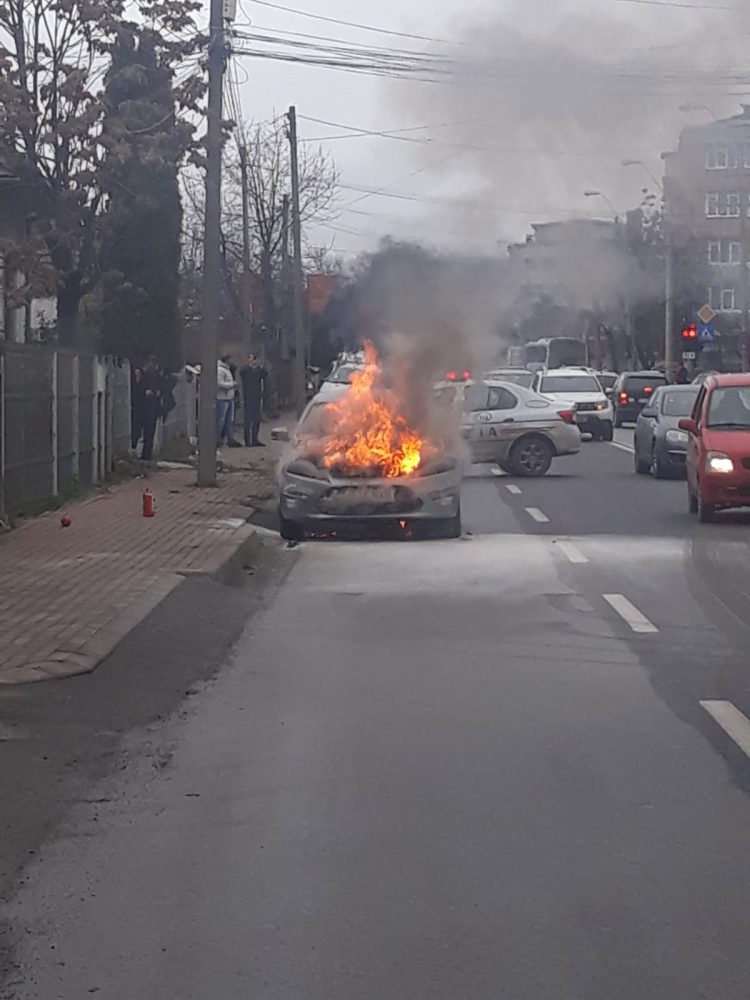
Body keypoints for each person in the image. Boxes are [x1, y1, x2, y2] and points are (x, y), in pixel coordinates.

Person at [131, 357, 162, 462]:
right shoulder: (140, 374)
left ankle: (146, 455)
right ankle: (134, 450)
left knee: (148, 433)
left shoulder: (155, 375)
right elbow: (136, 390)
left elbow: (159, 390)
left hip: (150, 409)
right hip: (140, 408)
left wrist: (154, 393)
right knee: (137, 431)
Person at [240, 353, 268, 447]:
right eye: (249, 358)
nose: (251, 360)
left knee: (256, 419)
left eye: (252, 359)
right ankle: (248, 440)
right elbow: (242, 373)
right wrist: (250, 366)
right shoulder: (245, 370)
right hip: (248, 397)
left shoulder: (259, 370)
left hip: (257, 396)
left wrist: (260, 367)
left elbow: (265, 375)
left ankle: (255, 439)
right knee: (248, 420)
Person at [216, 353, 240, 447]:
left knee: (230, 420)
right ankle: (218, 439)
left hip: (229, 398)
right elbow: (219, 383)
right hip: (222, 398)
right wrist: (232, 385)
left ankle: (230, 439)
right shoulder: (220, 370)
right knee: (221, 420)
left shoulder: (226, 369)